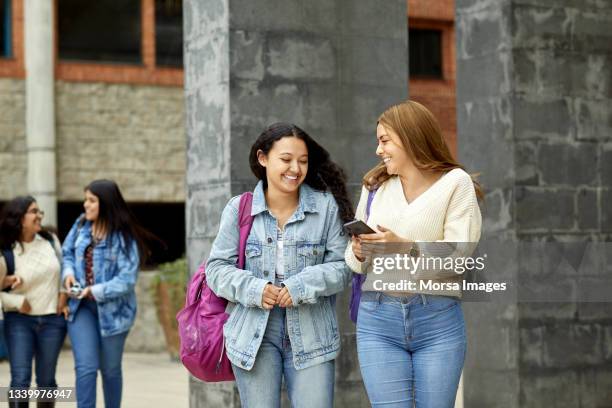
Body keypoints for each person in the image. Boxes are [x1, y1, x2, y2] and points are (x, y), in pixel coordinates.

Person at [345, 100, 483, 407]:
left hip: (437, 320)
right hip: (378, 319)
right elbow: (356, 263)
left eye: (384, 141)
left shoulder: (455, 184)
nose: (378, 150)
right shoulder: (374, 186)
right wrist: (359, 250)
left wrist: (405, 246)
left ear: (411, 137)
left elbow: (461, 257)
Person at [206, 123, 353, 408]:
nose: (295, 169)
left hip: (313, 333)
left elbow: (343, 267)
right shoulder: (240, 209)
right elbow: (216, 269)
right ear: (263, 158)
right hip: (253, 333)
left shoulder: (326, 208)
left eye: (303, 161)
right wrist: (256, 289)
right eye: (286, 159)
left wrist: (299, 286)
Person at [62, 180, 153, 408]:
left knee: (111, 370)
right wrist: (69, 273)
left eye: (91, 200)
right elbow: (67, 253)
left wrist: (92, 290)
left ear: (106, 203)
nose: (86, 205)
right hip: (81, 309)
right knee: (86, 368)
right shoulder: (81, 225)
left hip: (115, 314)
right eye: (86, 200)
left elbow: (127, 280)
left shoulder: (123, 237)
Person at [0, 196, 67, 408]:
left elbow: (66, 272)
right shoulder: (6, 250)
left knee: (47, 382)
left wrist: (64, 297)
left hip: (53, 321)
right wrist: (15, 301)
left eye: (40, 212)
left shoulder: (50, 241)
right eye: (33, 211)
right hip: (19, 321)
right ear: (20, 218)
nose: (39, 216)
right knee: (20, 380)